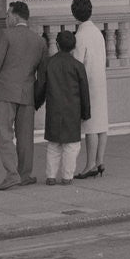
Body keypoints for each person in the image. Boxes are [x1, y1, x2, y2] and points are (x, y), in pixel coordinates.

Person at [0, 1, 46, 190]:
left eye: (8, 15)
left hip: (4, 91)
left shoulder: (7, 35)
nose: (6, 18)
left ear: (16, 17)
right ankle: (25, 174)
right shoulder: (39, 40)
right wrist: (38, 97)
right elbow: (42, 74)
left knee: (5, 134)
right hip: (27, 93)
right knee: (26, 136)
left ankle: (11, 174)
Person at [34, 29, 90, 186]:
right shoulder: (78, 66)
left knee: (53, 144)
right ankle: (67, 176)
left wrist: (36, 103)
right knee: (71, 146)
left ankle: (51, 176)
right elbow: (84, 91)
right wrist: (86, 112)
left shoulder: (48, 63)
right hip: (73, 110)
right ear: (74, 47)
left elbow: (41, 87)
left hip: (54, 109)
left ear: (57, 45)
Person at [71, 0, 108, 178]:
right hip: (100, 80)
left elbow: (78, 64)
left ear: (74, 14)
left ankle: (90, 165)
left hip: (88, 83)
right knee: (101, 123)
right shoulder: (97, 32)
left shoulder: (80, 36)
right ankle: (100, 160)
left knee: (90, 125)